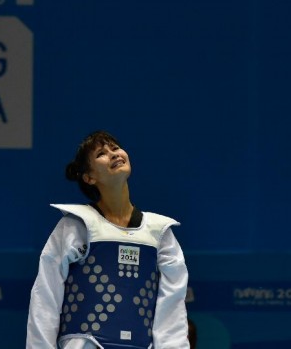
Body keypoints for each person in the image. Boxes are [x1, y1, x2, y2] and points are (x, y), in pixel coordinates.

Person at [26, 131, 189, 349]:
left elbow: (172, 311)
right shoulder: (76, 225)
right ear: (89, 177)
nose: (113, 154)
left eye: (115, 148)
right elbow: (45, 298)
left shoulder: (160, 233)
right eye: (102, 153)